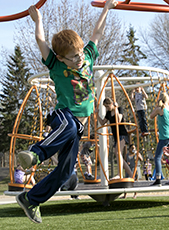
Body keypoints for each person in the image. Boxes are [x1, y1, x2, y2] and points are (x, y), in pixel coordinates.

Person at [16, 0, 117, 224]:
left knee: (65, 172)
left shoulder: (88, 58)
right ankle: (35, 154)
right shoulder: (56, 65)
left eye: (80, 52)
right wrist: (38, 21)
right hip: (62, 115)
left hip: (77, 126)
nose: (79, 57)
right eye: (74, 56)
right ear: (61, 58)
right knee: (69, 125)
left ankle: (31, 199)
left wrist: (106, 9)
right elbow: (41, 41)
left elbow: (97, 32)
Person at [96, 97, 133, 178]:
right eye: (105, 107)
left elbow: (118, 120)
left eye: (108, 106)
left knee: (118, 153)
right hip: (116, 135)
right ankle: (131, 175)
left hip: (122, 133)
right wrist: (97, 115)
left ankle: (120, 174)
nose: (107, 108)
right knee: (118, 156)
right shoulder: (108, 113)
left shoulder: (119, 109)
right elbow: (102, 123)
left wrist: (116, 108)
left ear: (111, 104)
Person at [149, 92, 169, 186]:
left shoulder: (160, 109)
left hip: (164, 136)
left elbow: (151, 116)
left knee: (157, 157)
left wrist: (157, 107)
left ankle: (158, 178)